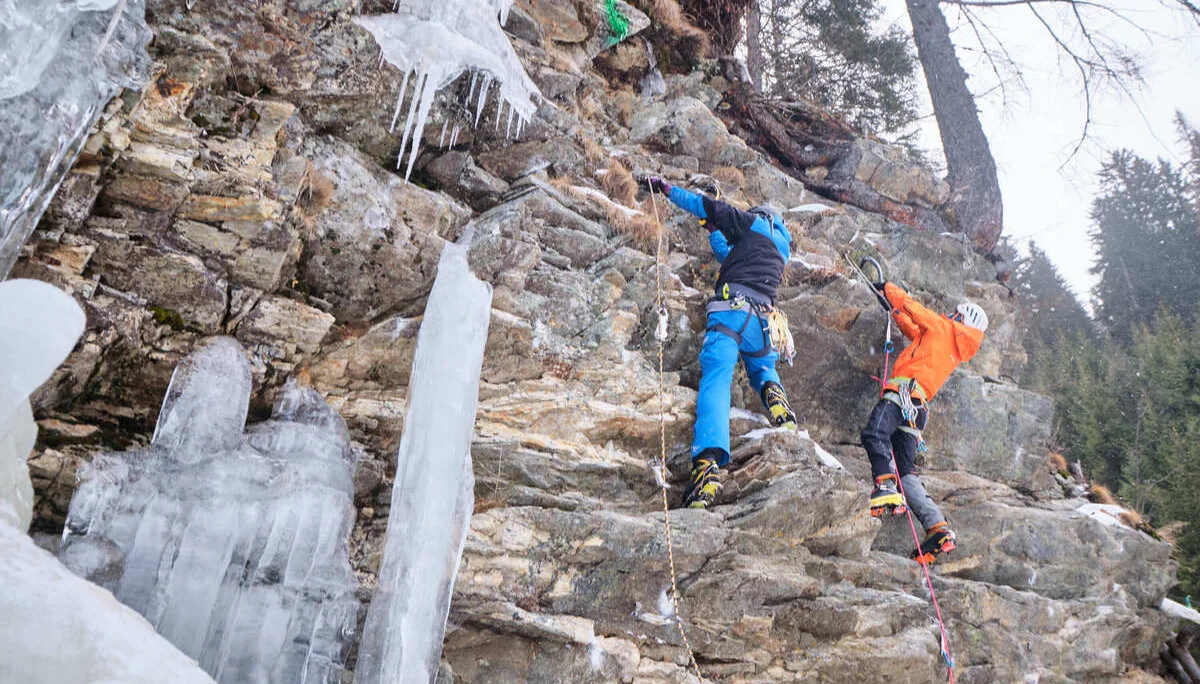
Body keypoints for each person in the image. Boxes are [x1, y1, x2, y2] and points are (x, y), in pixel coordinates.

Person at [646, 176, 798, 510]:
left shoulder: (752, 223)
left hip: (732, 312)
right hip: (764, 322)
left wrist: (668, 190)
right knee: (762, 366)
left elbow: (710, 207)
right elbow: (728, 256)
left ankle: (708, 465)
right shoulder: (782, 248)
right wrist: (712, 228)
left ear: (760, 215)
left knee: (716, 382)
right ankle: (777, 402)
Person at [861, 280, 988, 564]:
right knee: (906, 470)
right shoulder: (954, 343)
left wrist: (891, 289)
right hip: (918, 407)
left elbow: (916, 311)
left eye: (955, 313)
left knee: (874, 435)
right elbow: (913, 330)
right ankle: (938, 529)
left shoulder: (944, 328)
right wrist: (893, 311)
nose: (949, 315)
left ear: (961, 318)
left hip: (902, 393)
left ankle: (885, 488)